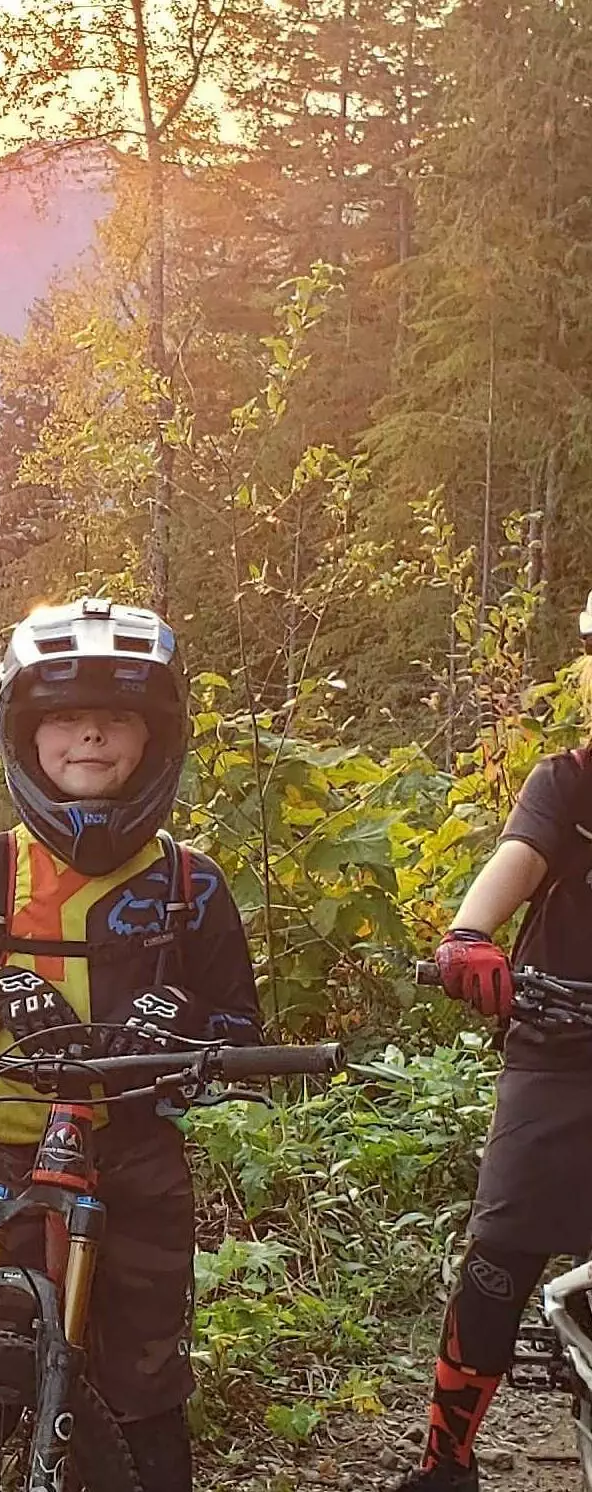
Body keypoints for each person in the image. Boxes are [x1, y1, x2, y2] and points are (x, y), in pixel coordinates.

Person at [0, 596, 263, 1492]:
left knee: (146, 1388)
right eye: (64, 719)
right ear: (25, 736)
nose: (89, 739)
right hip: (9, 1157)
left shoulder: (191, 886)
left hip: (137, 1161)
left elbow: (244, 1035)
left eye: (115, 720)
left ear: (155, 737)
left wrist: (178, 1020)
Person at [392, 591, 592, 1492]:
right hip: (559, 1044)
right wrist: (471, 937)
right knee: (503, 1253)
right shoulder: (571, 781)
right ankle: (447, 1461)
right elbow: (517, 855)